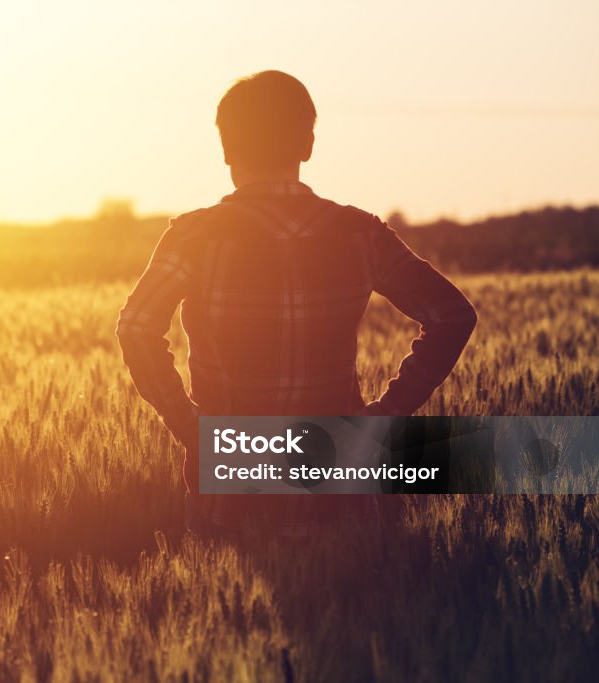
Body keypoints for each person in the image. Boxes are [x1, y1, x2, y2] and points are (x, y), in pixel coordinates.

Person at [116, 70, 477, 533]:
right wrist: (381, 420)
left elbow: (135, 328)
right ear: (307, 144)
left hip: (228, 496)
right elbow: (452, 315)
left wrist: (194, 432)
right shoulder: (360, 234)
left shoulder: (194, 237)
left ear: (226, 149)